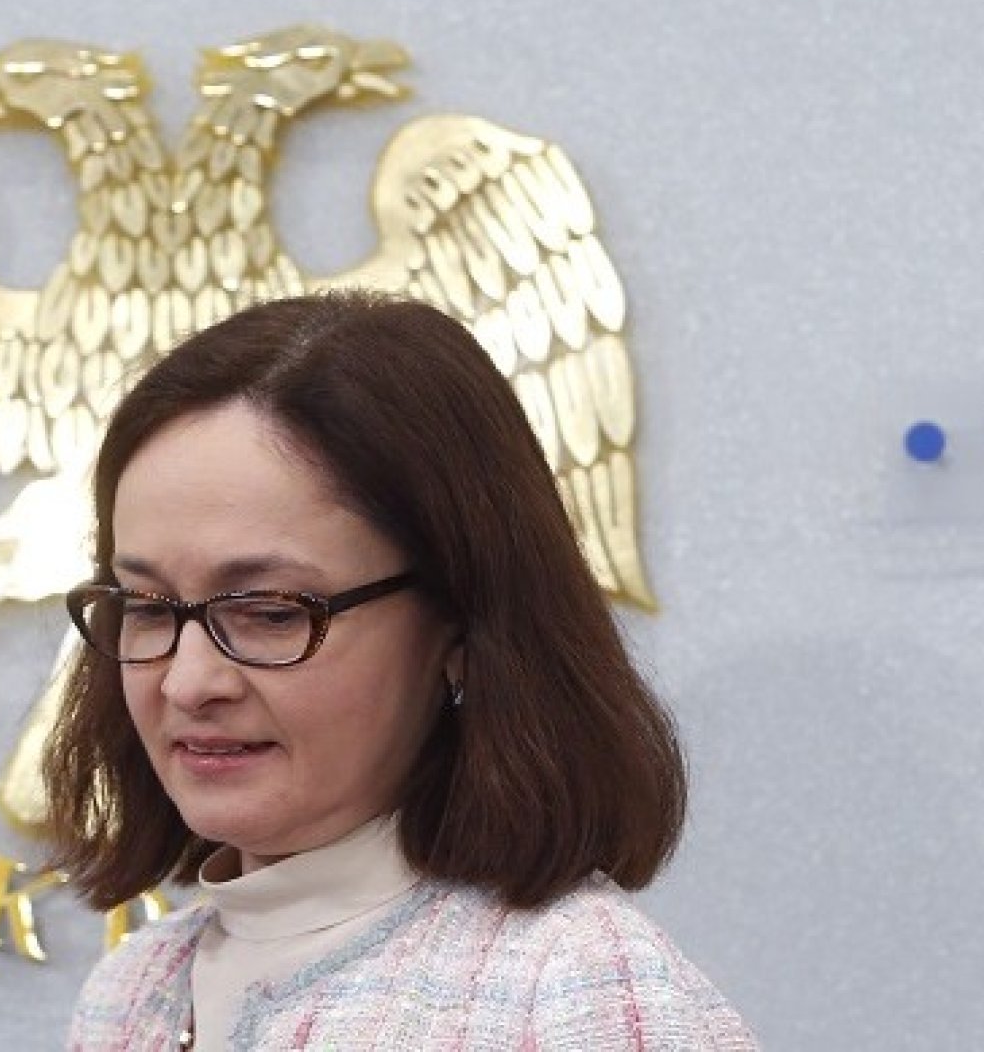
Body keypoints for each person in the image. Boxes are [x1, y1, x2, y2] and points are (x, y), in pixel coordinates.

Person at [42, 292, 756, 1049]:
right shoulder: (132, 992)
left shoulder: (579, 993)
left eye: (270, 612)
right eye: (148, 607)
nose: (187, 683)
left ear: (460, 621)